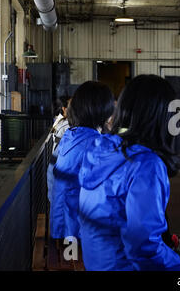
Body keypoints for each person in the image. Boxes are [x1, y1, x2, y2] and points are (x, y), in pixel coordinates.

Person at [77, 74, 180, 271]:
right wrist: (175, 263)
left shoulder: (100, 148)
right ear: (161, 116)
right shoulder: (146, 165)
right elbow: (143, 247)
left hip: (97, 263)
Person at [50, 82, 114, 241]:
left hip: (62, 226)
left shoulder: (72, 136)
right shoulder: (94, 144)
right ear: (100, 110)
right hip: (75, 233)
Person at [47, 95, 71, 203]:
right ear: (64, 108)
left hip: (56, 163)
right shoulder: (66, 125)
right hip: (60, 165)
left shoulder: (59, 122)